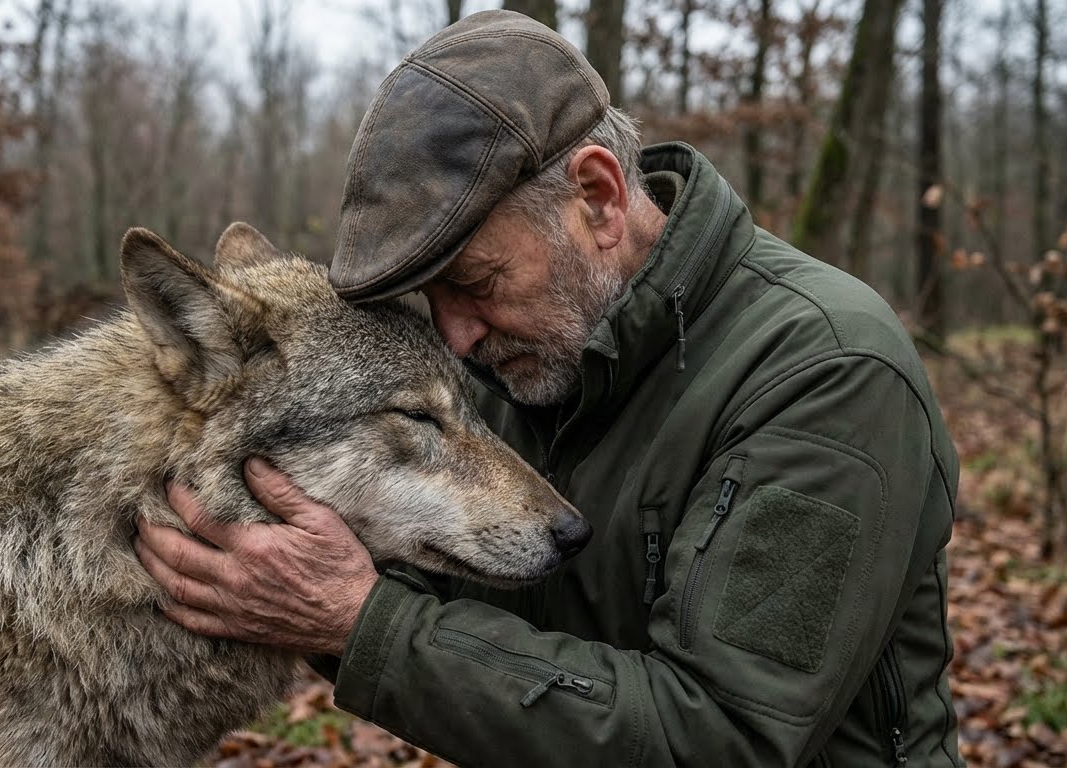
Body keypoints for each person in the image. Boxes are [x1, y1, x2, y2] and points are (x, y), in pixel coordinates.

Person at [134, 10, 962, 767]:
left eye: (477, 281)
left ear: (597, 198)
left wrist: (356, 624)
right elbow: (409, 574)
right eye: (433, 299)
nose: (455, 337)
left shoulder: (827, 371)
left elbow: (720, 737)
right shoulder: (523, 350)